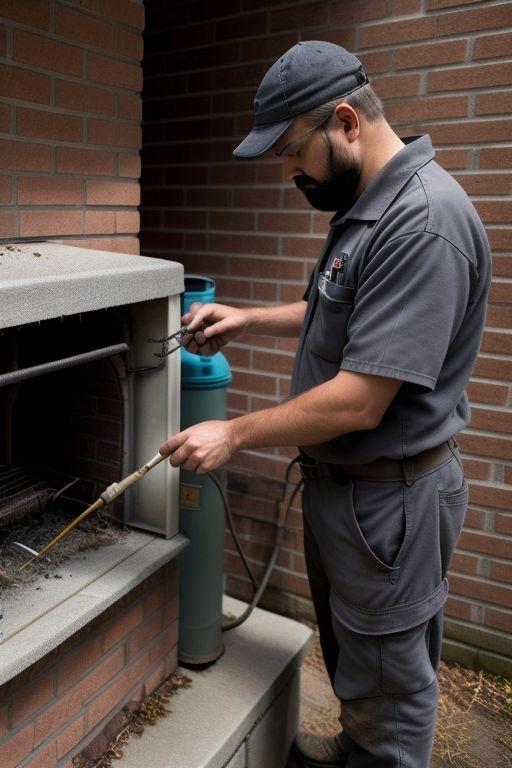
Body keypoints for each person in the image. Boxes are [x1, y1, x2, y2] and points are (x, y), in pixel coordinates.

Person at [159, 41, 492, 768]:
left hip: (390, 503)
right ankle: (354, 745)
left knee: (393, 688)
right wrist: (250, 318)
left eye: (291, 152)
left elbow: (360, 401)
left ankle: (378, 754)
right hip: (348, 494)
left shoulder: (423, 222)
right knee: (358, 660)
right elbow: (339, 312)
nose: (288, 174)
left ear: (345, 121)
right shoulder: (369, 207)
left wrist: (235, 432)